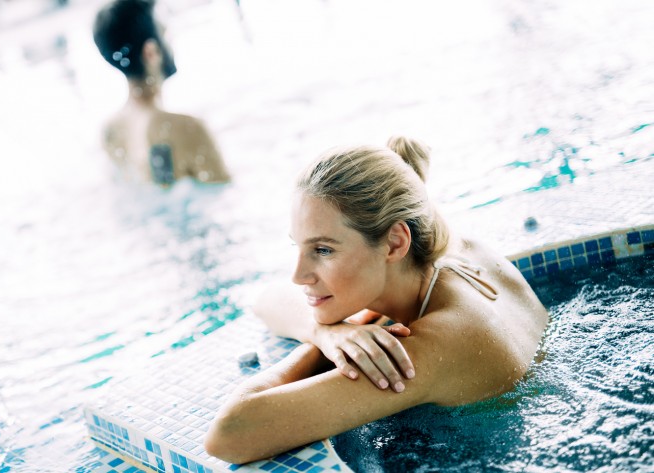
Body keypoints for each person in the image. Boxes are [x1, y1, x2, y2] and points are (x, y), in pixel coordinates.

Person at [204, 137, 548, 463]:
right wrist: (327, 333)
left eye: (323, 250)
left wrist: (327, 338)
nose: (298, 275)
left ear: (396, 243)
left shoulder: (430, 347)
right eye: (299, 246)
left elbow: (230, 434)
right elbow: (264, 299)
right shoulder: (460, 253)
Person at [92, 0, 230, 187]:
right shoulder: (186, 128)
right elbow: (224, 194)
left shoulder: (110, 131)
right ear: (151, 52)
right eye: (166, 34)